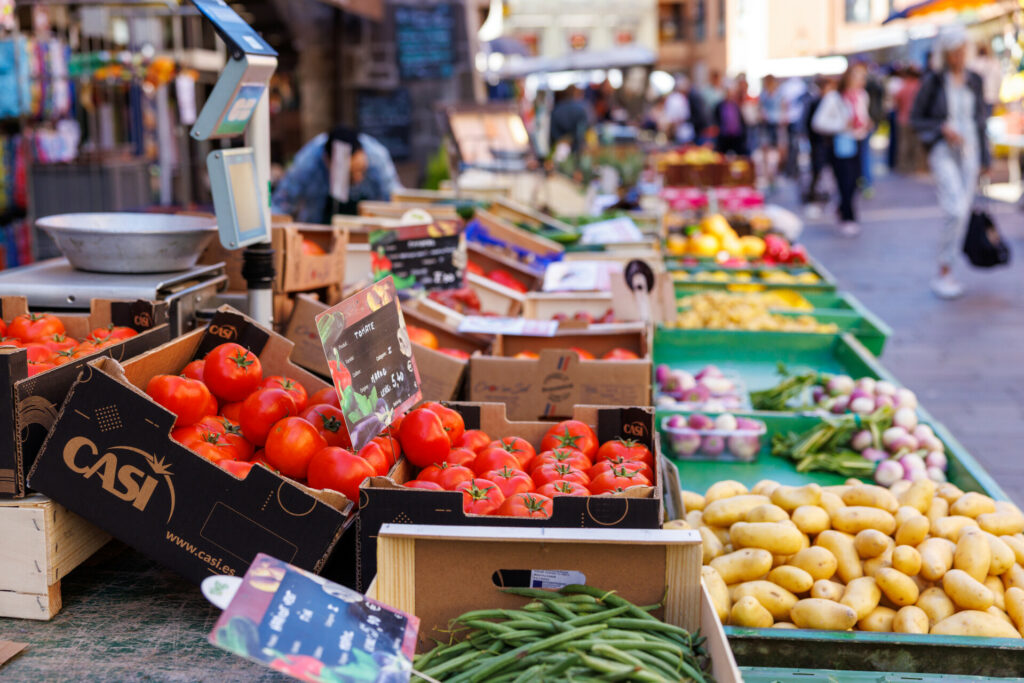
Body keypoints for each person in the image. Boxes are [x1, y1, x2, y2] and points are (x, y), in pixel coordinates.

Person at [911, 25, 990, 299]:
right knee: (954, 209)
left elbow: (981, 121)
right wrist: (942, 128)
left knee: (963, 211)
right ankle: (944, 269)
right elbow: (917, 118)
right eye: (954, 52)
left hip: (970, 149)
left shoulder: (974, 80)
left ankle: (949, 267)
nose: (959, 56)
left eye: (962, 51)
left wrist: (986, 158)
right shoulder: (934, 81)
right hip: (943, 149)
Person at [272, 126, 400, 222]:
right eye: (350, 174)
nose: (358, 178)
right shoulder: (307, 162)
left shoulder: (377, 157)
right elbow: (281, 204)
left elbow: (395, 199)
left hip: (367, 231)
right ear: (327, 161)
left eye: (362, 170)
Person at [812, 62, 872, 237]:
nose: (861, 81)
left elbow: (862, 117)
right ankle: (848, 217)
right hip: (839, 144)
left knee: (854, 181)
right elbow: (818, 123)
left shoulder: (862, 96)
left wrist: (865, 124)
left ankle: (842, 207)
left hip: (857, 141)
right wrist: (841, 126)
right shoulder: (834, 98)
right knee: (845, 181)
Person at [802, 76, 835, 205]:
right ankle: (813, 193)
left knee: (823, 168)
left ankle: (820, 191)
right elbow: (810, 123)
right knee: (817, 168)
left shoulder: (827, 101)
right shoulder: (816, 101)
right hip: (817, 141)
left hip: (825, 141)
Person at [895, 66, 924, 174]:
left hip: (903, 118)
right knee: (915, 145)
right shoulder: (919, 87)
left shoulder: (904, 86)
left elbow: (897, 101)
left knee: (904, 144)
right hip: (916, 120)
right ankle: (916, 167)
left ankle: (904, 166)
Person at [549, 85, 591, 153]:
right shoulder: (580, 109)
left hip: (559, 146)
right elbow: (581, 131)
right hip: (575, 148)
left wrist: (561, 139)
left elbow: (552, 129)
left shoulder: (556, 109)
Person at [712, 79, 748, 156]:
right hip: (724, 135)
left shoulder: (735, 105)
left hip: (736, 136)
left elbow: (740, 120)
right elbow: (716, 119)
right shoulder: (719, 105)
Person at [971, 43, 1002, 117]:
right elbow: (999, 80)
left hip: (979, 98)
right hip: (991, 96)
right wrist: (997, 96)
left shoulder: (973, 64)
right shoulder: (994, 63)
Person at [663, 75, 694, 144]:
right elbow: (674, 118)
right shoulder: (676, 99)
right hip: (679, 133)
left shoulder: (680, 98)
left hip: (683, 133)